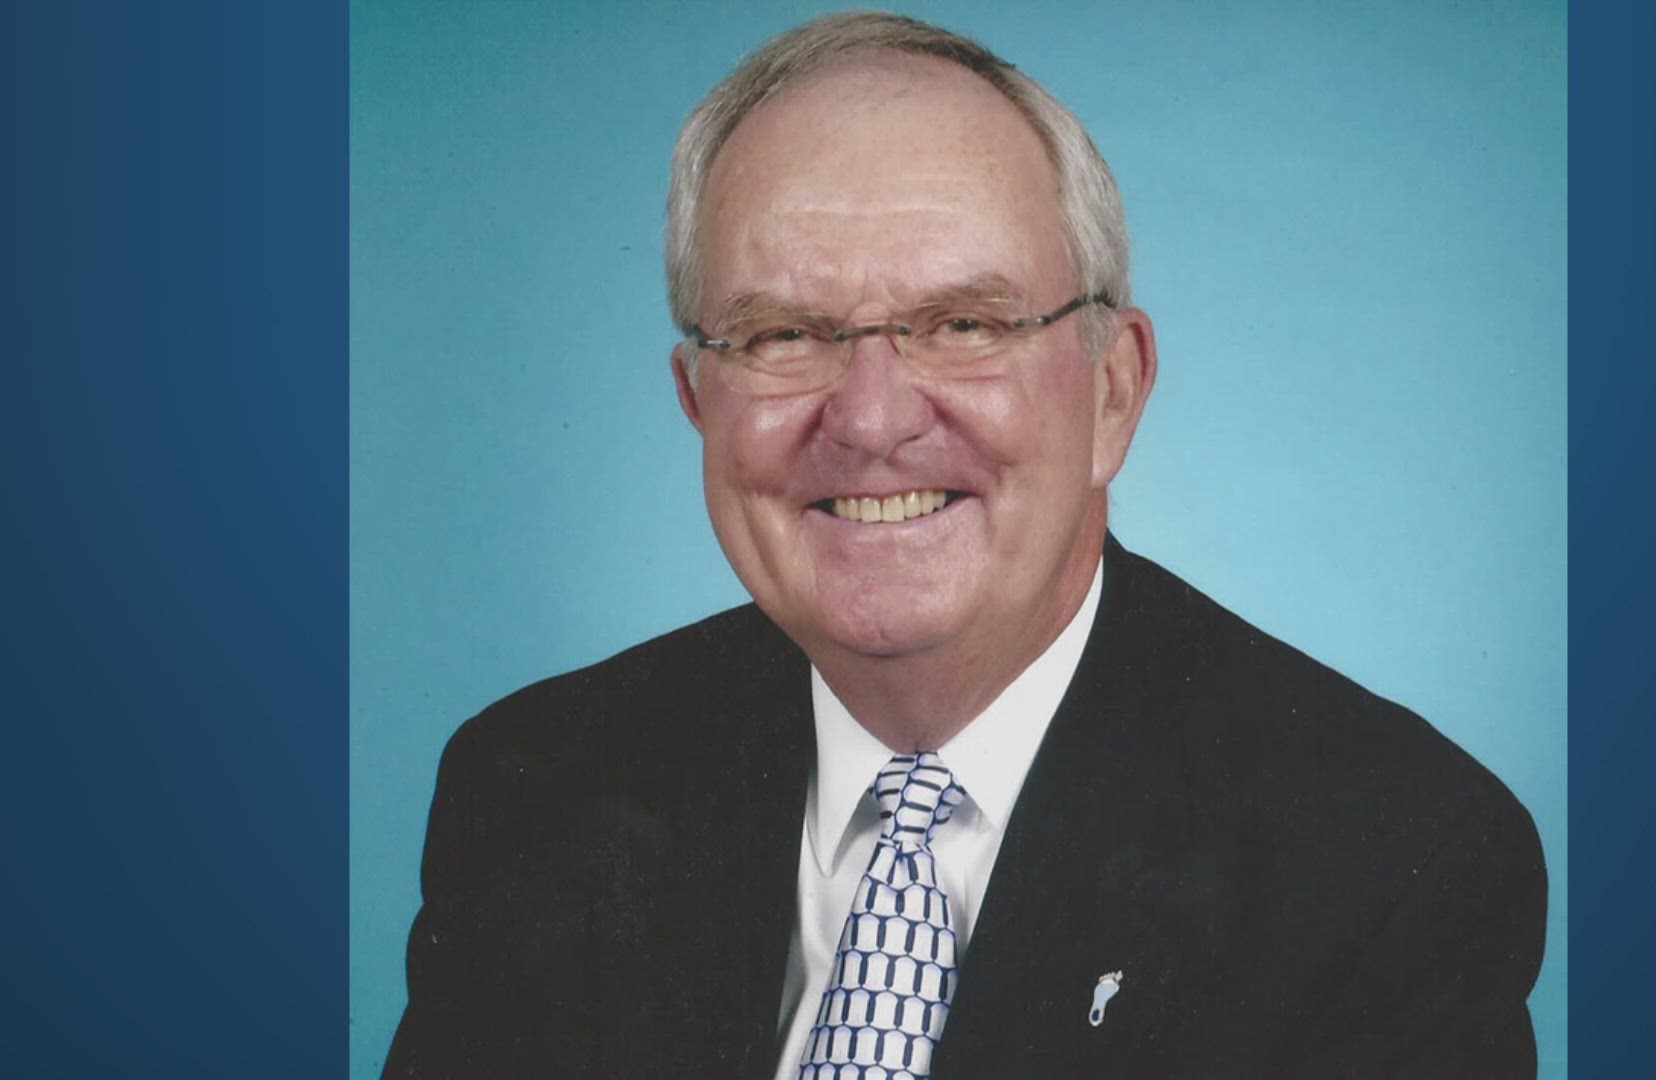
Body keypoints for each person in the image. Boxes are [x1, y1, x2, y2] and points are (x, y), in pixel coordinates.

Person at [383, 12, 1546, 1079]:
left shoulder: (1387, 865)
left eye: (964, 325)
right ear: (698, 399)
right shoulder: (537, 790)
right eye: (784, 332)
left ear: (1112, 392)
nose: (874, 417)